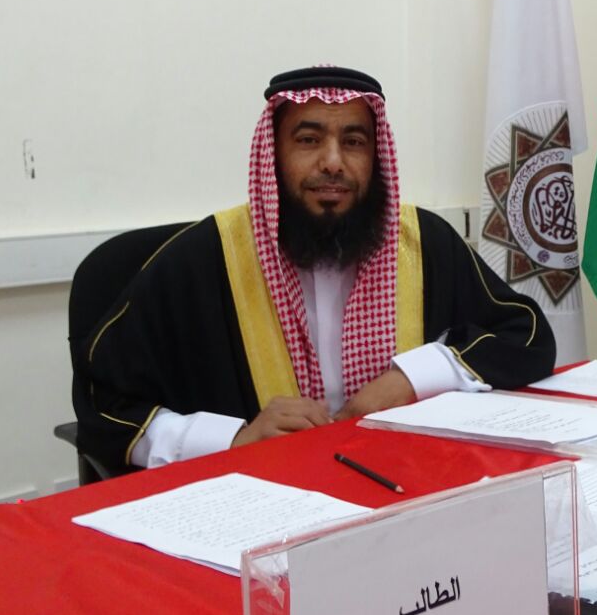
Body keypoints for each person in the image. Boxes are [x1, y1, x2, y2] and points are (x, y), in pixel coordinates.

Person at [74, 66, 556, 472]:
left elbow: (525, 335)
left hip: (401, 485)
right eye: (308, 140)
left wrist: (412, 378)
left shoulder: (423, 244)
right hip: (253, 504)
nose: (333, 162)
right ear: (274, 155)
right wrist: (234, 438)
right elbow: (106, 408)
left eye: (354, 141)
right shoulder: (201, 261)